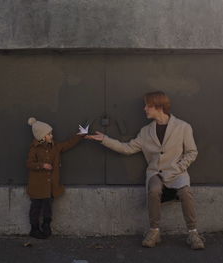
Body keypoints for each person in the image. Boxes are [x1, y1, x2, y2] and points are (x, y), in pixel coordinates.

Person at [86, 91, 205, 249]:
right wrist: (105, 140)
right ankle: (154, 232)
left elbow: (192, 152)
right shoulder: (145, 131)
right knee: (154, 189)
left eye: (148, 106)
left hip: (177, 173)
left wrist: (179, 167)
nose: (144, 109)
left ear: (159, 107)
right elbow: (127, 148)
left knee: (185, 193)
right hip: (156, 172)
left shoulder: (183, 127)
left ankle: (193, 233)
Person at [26, 117, 83, 239]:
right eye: (49, 134)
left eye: (51, 133)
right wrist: (42, 165)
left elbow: (69, 144)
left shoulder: (55, 146)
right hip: (38, 185)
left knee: (48, 206)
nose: (51, 135)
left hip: (50, 186)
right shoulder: (34, 149)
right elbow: (29, 164)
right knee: (35, 207)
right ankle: (34, 229)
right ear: (41, 136)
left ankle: (46, 225)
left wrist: (81, 135)